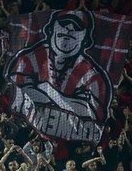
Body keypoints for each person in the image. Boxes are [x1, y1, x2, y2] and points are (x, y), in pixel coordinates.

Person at [6, 10, 113, 142]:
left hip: (69, 142)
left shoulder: (92, 76)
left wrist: (48, 91)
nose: (69, 29)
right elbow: (17, 90)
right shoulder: (28, 59)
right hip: (28, 133)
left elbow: (92, 114)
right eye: (63, 25)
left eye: (76, 29)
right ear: (50, 31)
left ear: (85, 41)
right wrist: (70, 103)